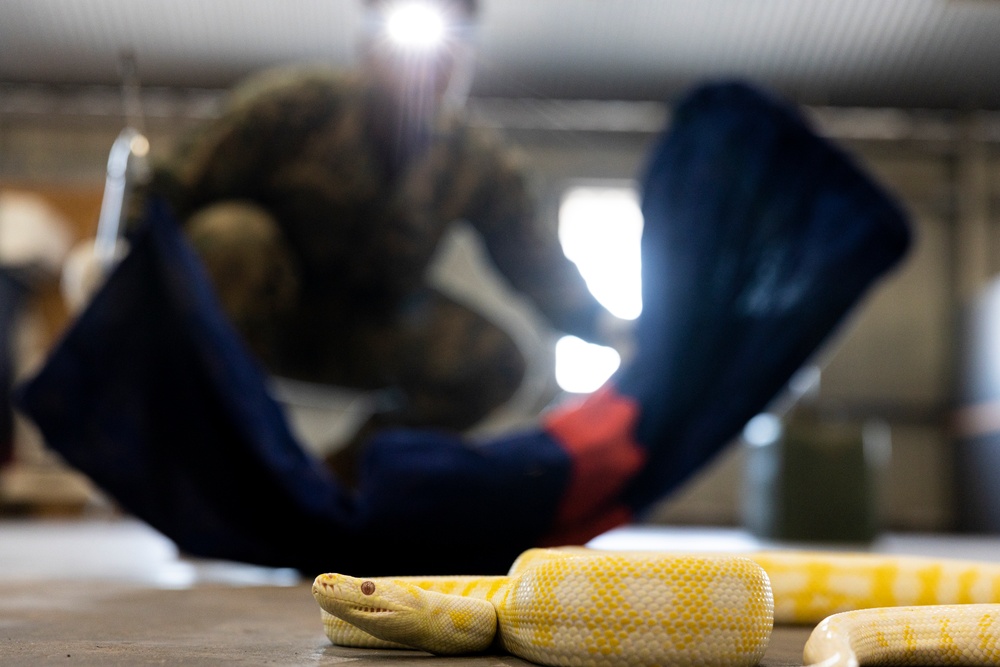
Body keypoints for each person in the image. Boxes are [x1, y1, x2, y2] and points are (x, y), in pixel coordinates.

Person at [150, 0, 624, 481]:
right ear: (368, 46)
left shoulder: (475, 160)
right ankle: (212, 461)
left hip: (368, 332)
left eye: (453, 41)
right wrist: (119, 270)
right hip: (255, 315)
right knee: (232, 237)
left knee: (496, 361)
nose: (431, 59)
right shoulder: (295, 107)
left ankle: (343, 482)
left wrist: (608, 329)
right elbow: (174, 187)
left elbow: (537, 263)